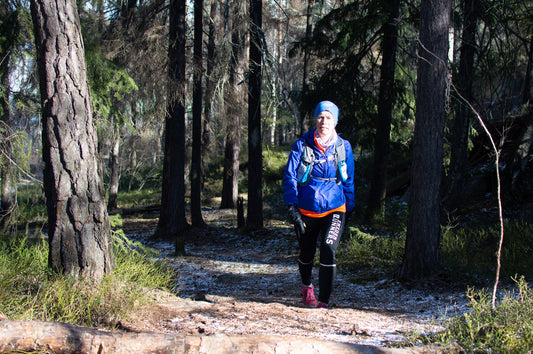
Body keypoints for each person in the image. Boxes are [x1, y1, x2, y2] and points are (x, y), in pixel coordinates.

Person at [282, 101, 355, 309]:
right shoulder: (302, 145)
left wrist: (349, 208)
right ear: (315, 120)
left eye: (329, 117)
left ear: (335, 121)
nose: (324, 122)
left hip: (335, 207)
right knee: (306, 253)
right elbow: (289, 178)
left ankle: (323, 301)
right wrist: (292, 206)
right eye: (321, 117)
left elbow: (348, 180)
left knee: (328, 248)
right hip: (306, 209)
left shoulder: (343, 147)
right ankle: (307, 287)